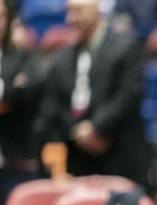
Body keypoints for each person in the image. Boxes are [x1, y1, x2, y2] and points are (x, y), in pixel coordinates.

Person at [34, 0, 150, 185]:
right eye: (69, 12)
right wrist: (78, 130)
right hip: (78, 157)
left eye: (78, 11)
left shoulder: (127, 47)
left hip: (119, 152)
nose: (70, 18)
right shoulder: (62, 58)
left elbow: (129, 95)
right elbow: (56, 104)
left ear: (97, 9)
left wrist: (97, 128)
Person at [0, 0, 42, 205]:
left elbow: (22, 95)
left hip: (16, 157)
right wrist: (7, 88)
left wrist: (9, 95)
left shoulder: (24, 58)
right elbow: (9, 96)